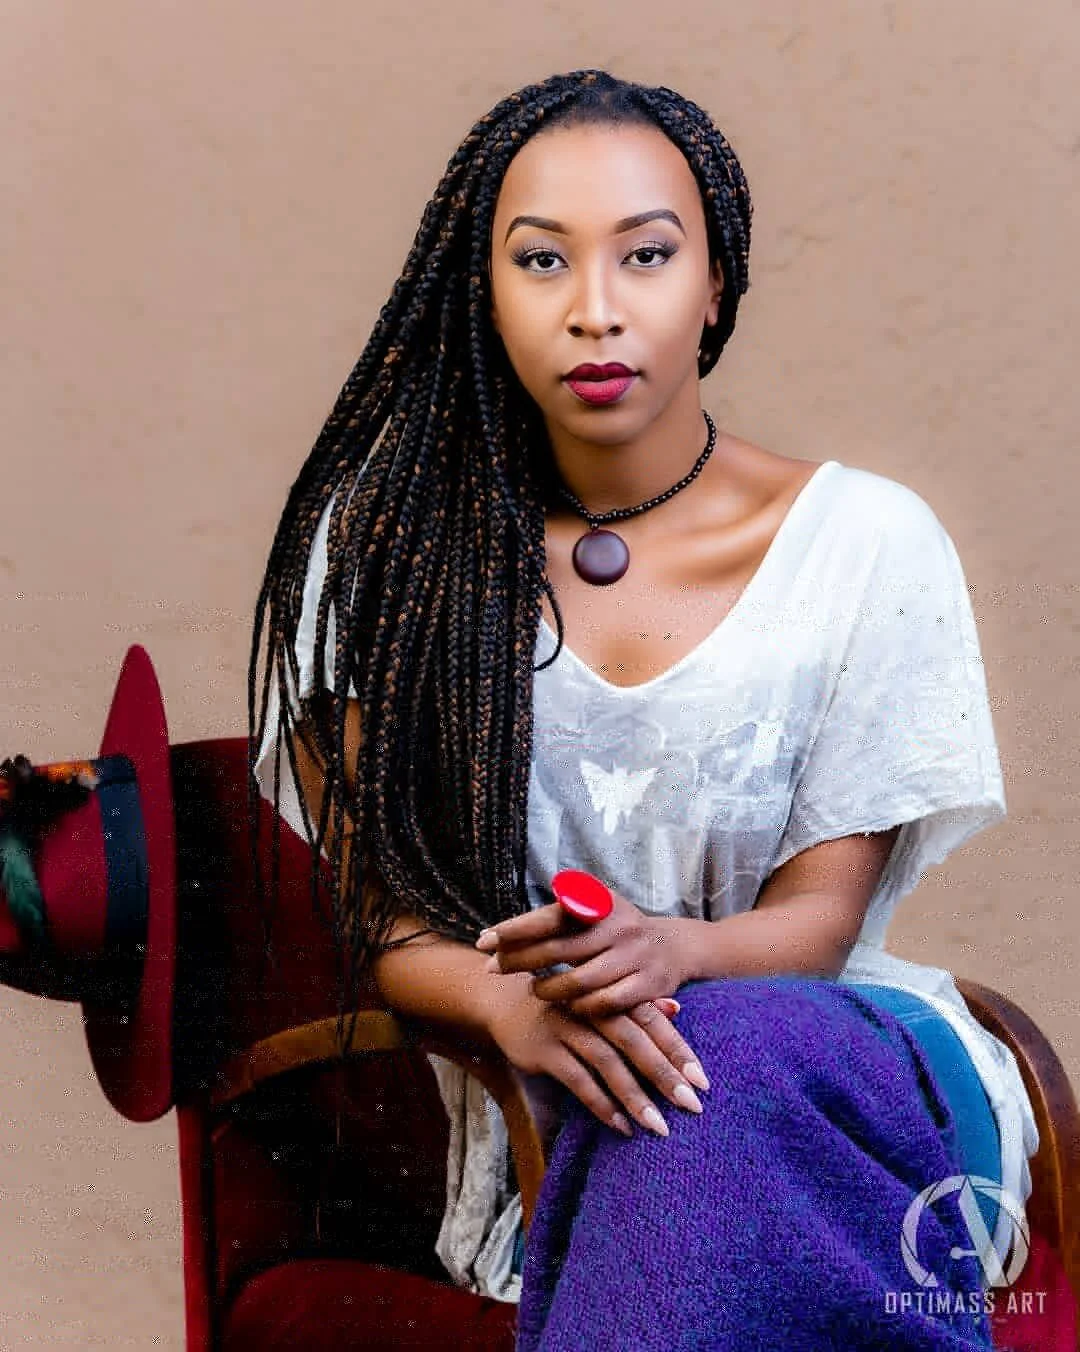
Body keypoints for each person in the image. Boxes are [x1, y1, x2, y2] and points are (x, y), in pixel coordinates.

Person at [249, 69, 1038, 1349]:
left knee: (707, 1064)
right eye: (542, 260)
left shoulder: (867, 543)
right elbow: (381, 920)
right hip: (559, 1099)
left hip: (844, 1071)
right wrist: (512, 1006)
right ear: (484, 292)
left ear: (715, 284)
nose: (596, 310)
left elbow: (819, 924)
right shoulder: (390, 557)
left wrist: (670, 957)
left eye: (649, 255)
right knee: (656, 1125)